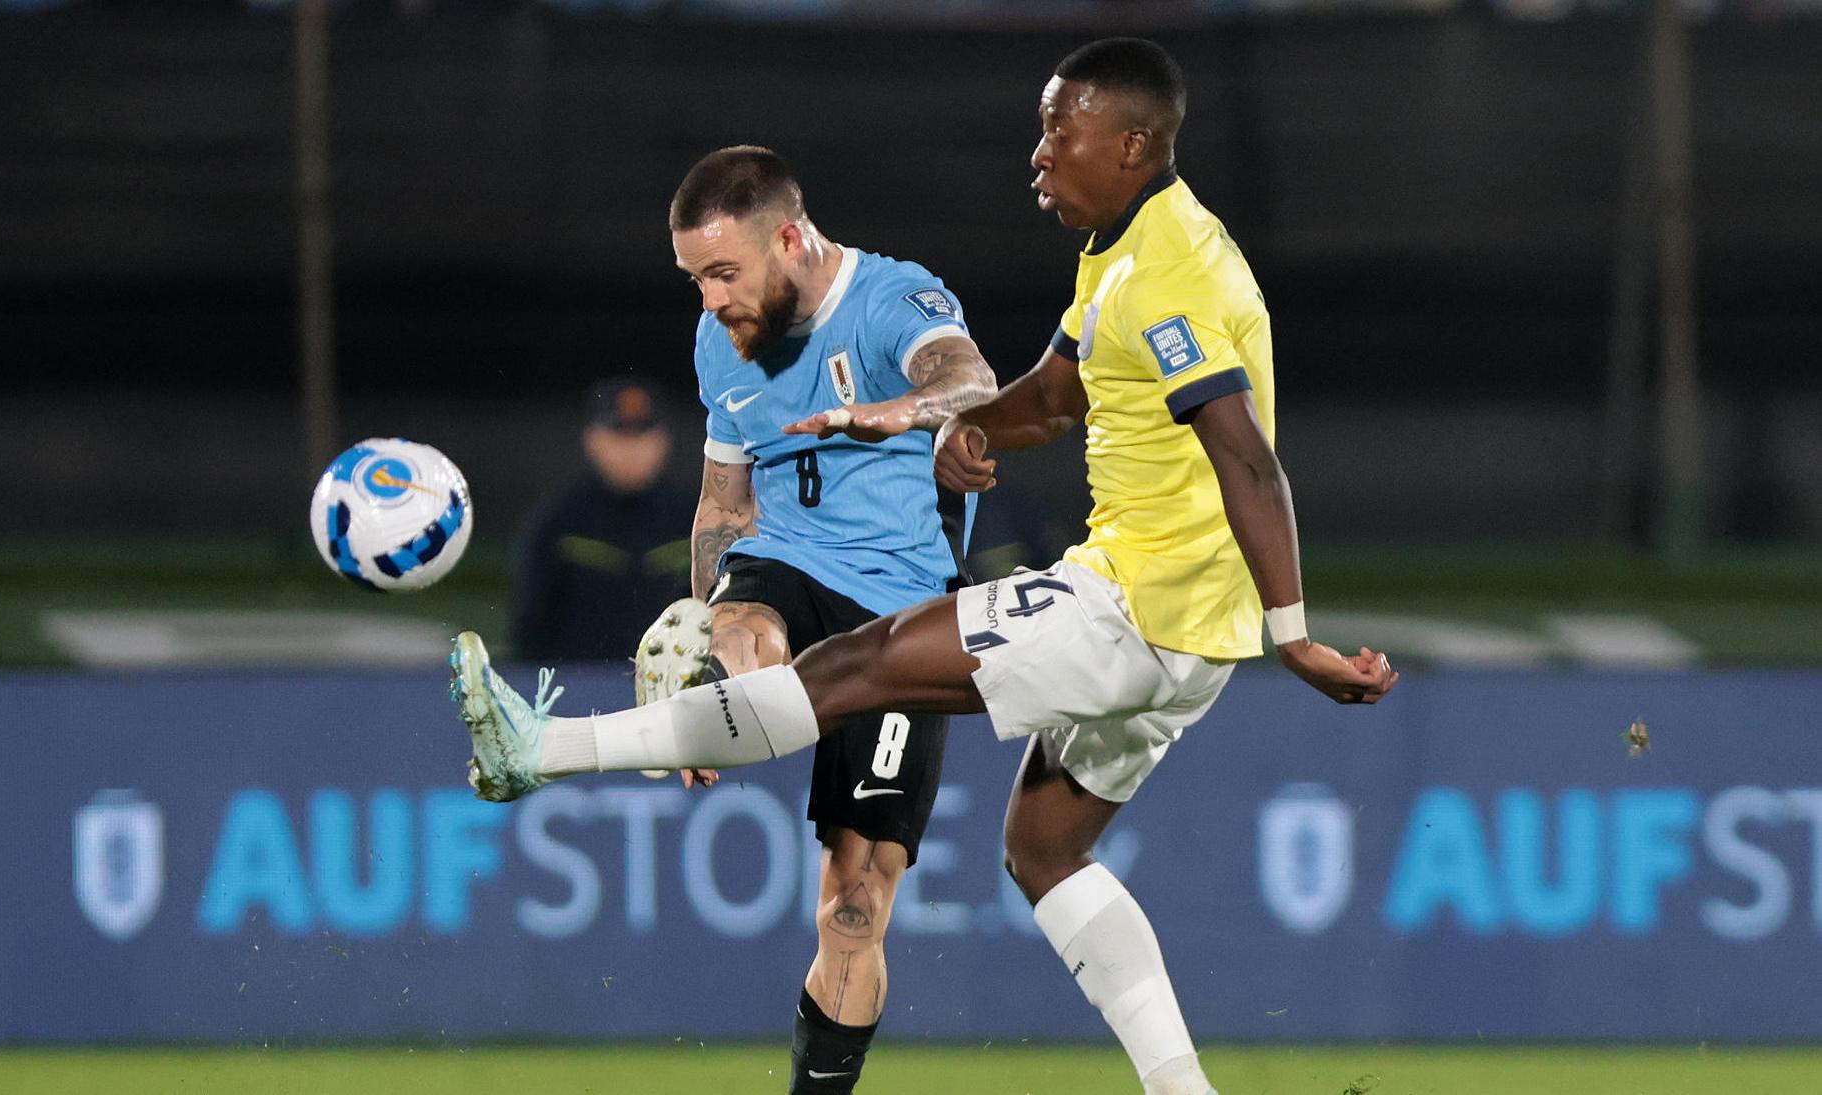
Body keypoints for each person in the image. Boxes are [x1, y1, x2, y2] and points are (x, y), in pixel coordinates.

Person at [450, 40, 1398, 1095]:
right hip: (1193, 639)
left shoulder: (1161, 276)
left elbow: (1244, 453)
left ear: (1131, 144)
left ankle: (542, 747)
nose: (1039, 154)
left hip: (1136, 605)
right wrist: (974, 431)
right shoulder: (1127, 253)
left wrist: (1296, 633)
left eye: (1060, 130)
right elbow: (1048, 394)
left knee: (854, 669)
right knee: (1043, 849)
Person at [529, 145, 998, 1094]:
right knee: (745, 618)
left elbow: (973, 381)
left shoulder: (891, 300)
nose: (708, 299)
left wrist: (896, 412)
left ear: (788, 238)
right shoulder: (722, 339)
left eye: (723, 272)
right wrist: (703, 635)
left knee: (852, 908)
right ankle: (708, 703)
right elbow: (721, 510)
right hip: (785, 559)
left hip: (905, 607)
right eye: (693, 277)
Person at [507, 379, 692, 662]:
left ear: (663, 442)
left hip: (675, 695)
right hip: (579, 692)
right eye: (618, 434)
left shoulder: (693, 520)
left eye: (642, 434)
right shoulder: (558, 521)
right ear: (592, 440)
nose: (631, 448)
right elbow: (529, 629)